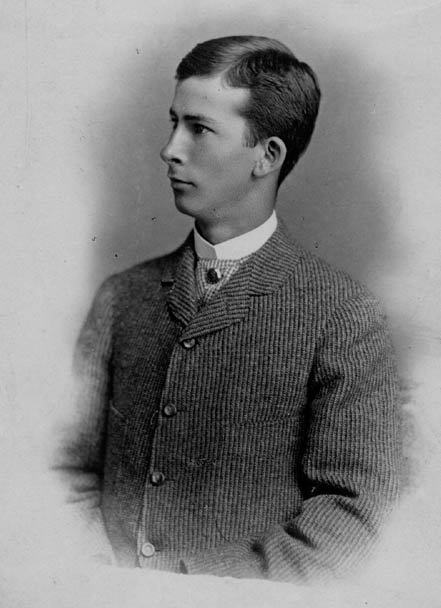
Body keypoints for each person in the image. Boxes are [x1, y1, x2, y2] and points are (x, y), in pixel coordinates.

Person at [58, 35, 401, 583]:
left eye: (199, 128)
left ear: (268, 156)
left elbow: (354, 512)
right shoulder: (121, 297)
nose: (171, 149)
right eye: (174, 123)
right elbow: (60, 468)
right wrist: (96, 574)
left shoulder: (343, 315)